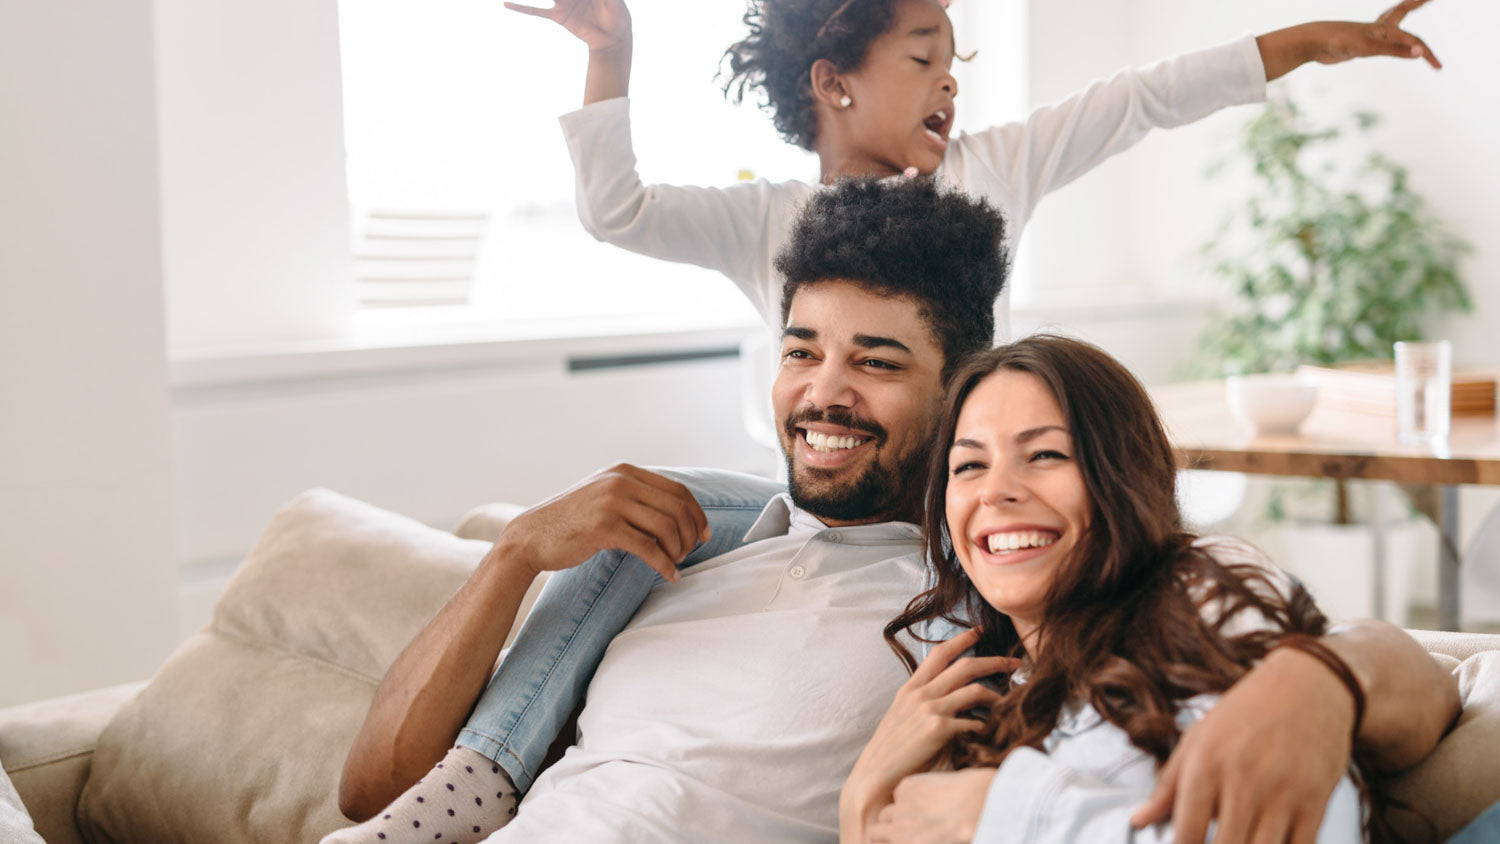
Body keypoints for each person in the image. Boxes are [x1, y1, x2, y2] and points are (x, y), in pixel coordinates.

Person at [329, 179, 1459, 844]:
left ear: (953, 379)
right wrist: (517, 553)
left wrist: (1324, 678)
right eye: (801, 351)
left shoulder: (975, 599)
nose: (824, 390)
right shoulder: (662, 557)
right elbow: (387, 796)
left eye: (876, 361)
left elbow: (1431, 673)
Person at [507, 0, 1442, 336]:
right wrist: (610, 58)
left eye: (955, 66)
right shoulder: (767, 222)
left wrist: (1315, 41)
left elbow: (1145, 95)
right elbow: (616, 212)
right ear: (832, 82)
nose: (947, 84)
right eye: (922, 59)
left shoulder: (991, 169)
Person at [840, 335, 1382, 843]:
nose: (997, 491)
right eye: (970, 464)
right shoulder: (980, 679)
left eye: (1046, 454)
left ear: (1121, 476)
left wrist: (1013, 812)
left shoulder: (1197, 595)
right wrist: (862, 799)